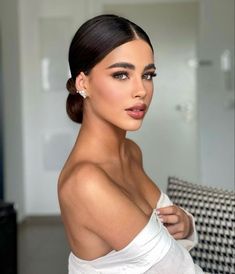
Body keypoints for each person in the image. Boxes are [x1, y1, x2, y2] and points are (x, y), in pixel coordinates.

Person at [58, 14, 204, 274]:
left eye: (148, 75)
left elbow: (170, 236)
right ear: (83, 83)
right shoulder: (85, 181)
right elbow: (178, 269)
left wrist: (187, 224)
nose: (141, 90)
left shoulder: (130, 152)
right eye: (122, 74)